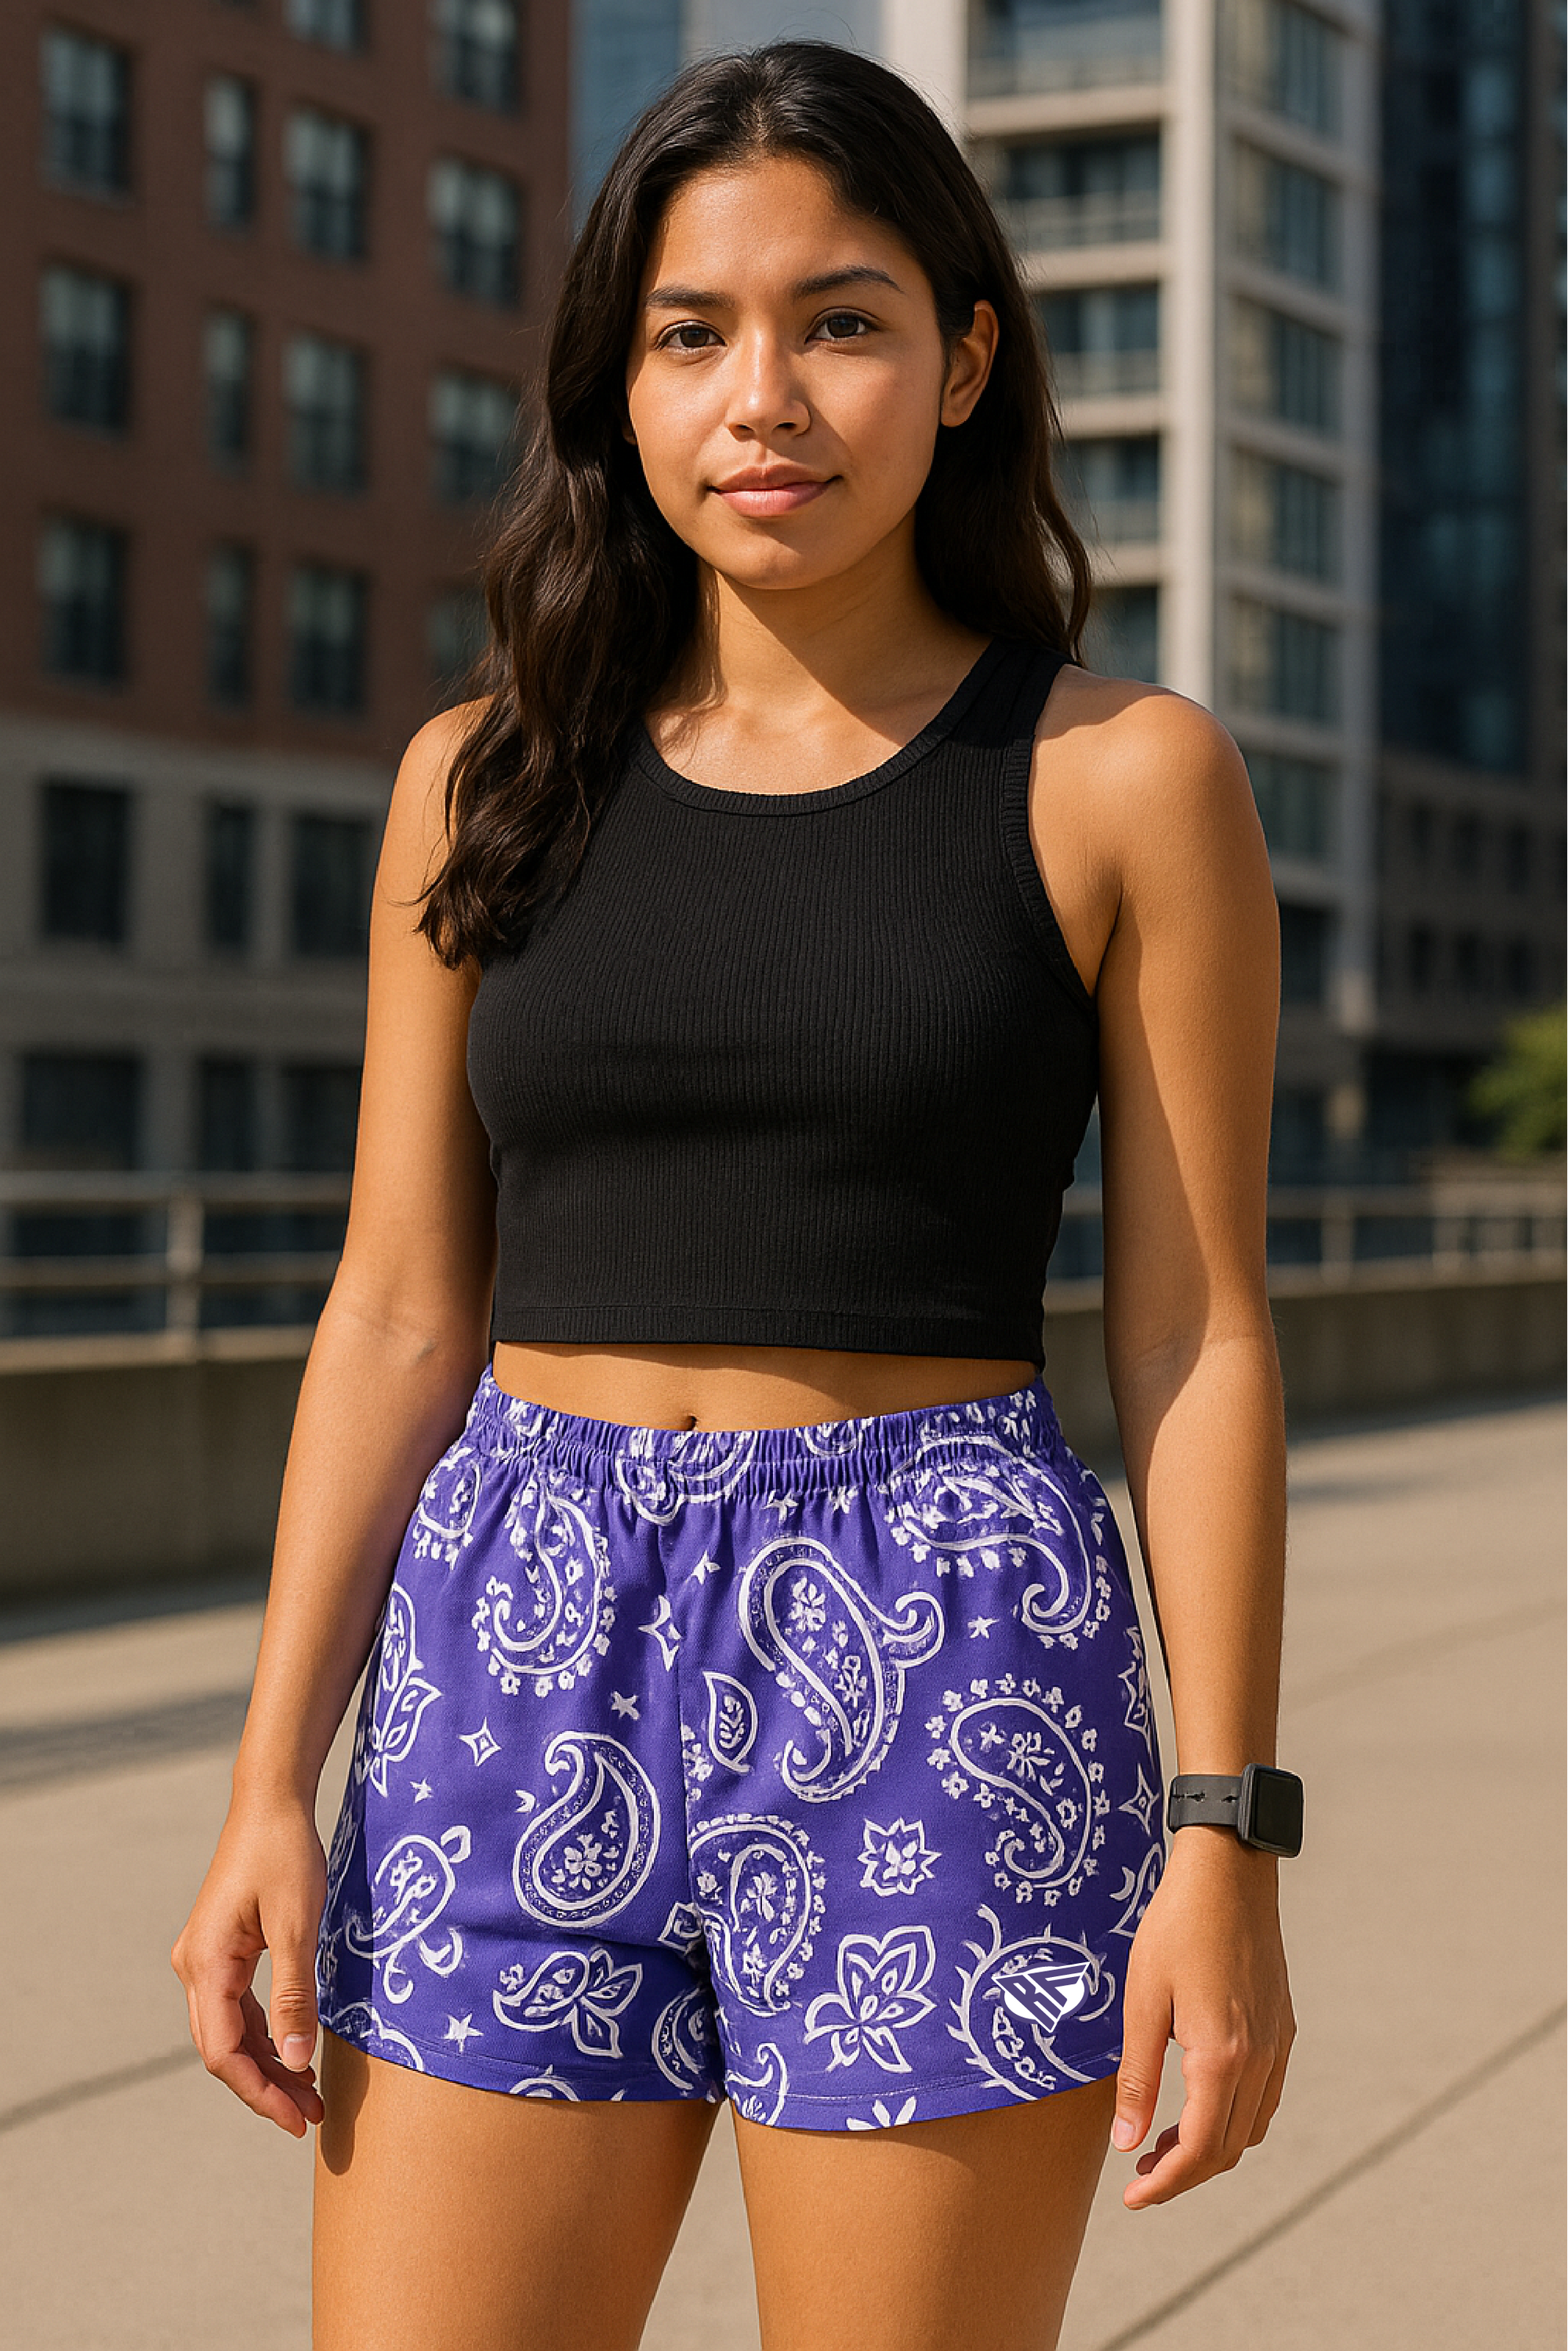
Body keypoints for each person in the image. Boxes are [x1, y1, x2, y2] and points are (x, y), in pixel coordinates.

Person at [172, 41, 1295, 2351]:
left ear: (964, 361)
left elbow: (1196, 1336)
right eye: (692, 333)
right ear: (623, 381)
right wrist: (271, 1776)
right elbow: (398, 1307)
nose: (761, 399)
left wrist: (1227, 1830)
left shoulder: (1120, 780)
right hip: (512, 1641)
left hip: (947, 1655)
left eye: (840, 322)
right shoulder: (481, 782)